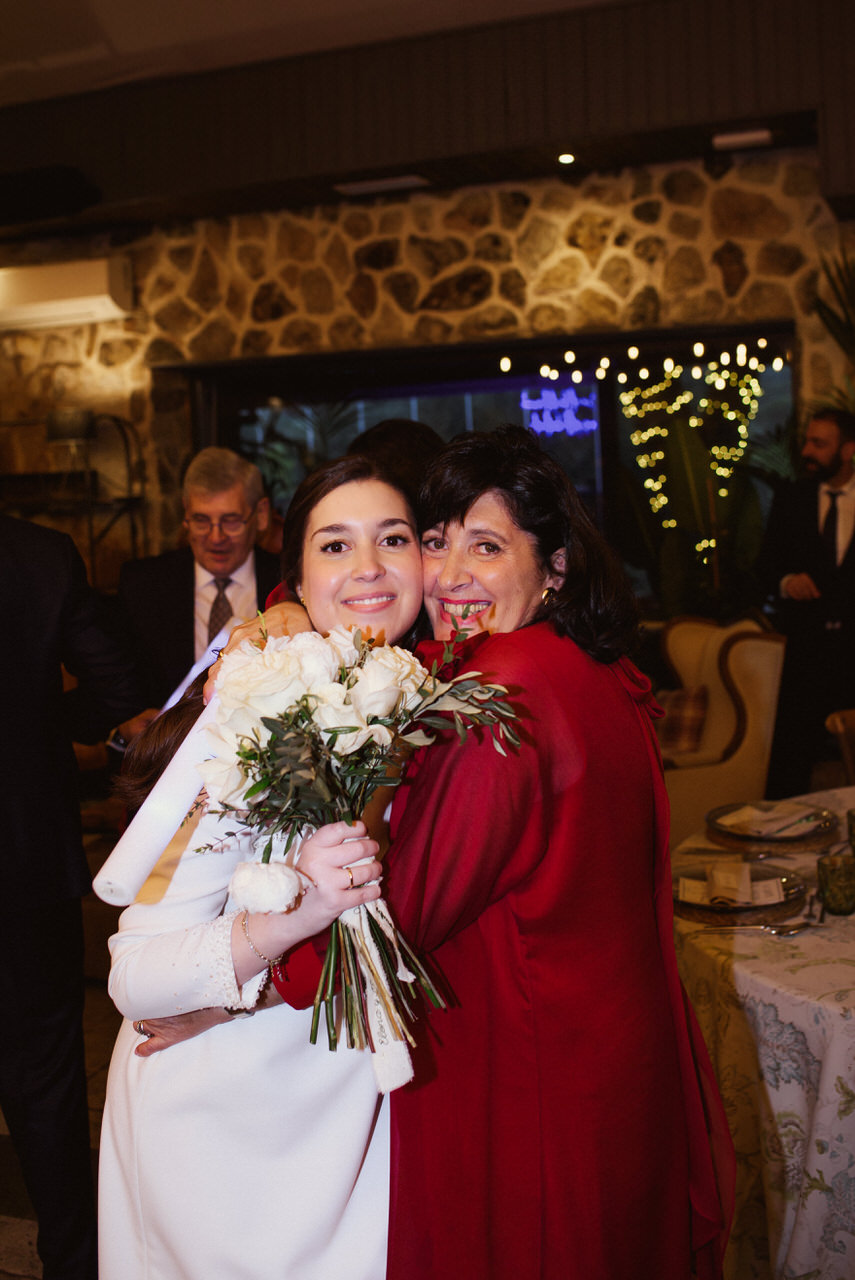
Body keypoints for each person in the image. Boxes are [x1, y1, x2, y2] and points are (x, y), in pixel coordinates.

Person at [147, 426, 735, 1278]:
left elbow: (398, 921)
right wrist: (286, 608)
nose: (450, 574)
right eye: (433, 541)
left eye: (485, 547)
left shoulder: (497, 701)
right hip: (611, 1064)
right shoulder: (582, 663)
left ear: (553, 566)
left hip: (528, 1078)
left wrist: (230, 994)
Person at [98, 454, 425, 1280]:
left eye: (393, 538)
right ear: (296, 579)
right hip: (222, 1140)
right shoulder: (249, 715)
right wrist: (292, 918)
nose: (369, 567)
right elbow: (135, 978)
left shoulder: (431, 703)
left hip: (347, 1120)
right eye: (335, 545)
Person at [0, 513, 145, 1280]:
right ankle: (71, 1261)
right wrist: (35, 722)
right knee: (47, 1078)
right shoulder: (40, 554)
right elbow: (118, 686)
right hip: (25, 860)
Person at [117, 446, 282, 710]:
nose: (216, 538)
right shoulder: (142, 585)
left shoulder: (289, 581)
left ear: (261, 515)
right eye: (201, 520)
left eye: (231, 520)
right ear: (185, 514)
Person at [758, 407, 855, 795]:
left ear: (847, 450)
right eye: (807, 442)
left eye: (819, 443)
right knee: (792, 763)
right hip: (804, 654)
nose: (807, 452)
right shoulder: (791, 498)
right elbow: (763, 567)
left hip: (852, 653)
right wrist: (786, 582)